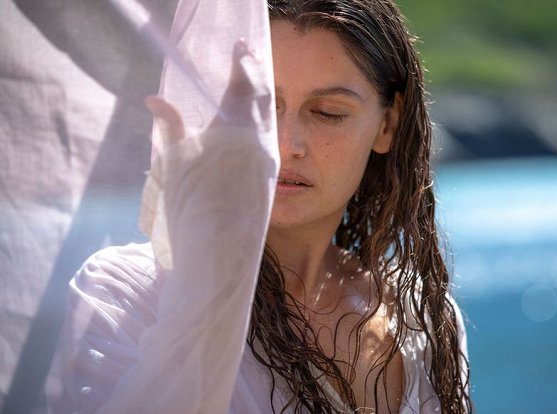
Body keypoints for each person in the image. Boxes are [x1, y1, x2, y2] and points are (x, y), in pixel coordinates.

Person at [47, 0, 472, 413]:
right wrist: (203, 291)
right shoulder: (126, 293)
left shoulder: (421, 314)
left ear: (387, 125)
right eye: (262, 108)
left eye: (327, 113)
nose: (287, 144)